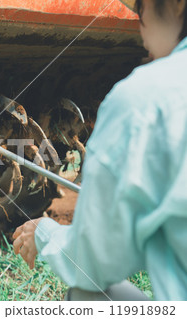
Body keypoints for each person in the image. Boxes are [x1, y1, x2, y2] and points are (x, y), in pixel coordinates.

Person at [12, 0, 187, 301]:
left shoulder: (145, 97)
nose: (138, 24)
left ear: (175, 4)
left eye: (140, 8)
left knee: (85, 295)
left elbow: (94, 262)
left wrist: (45, 233)